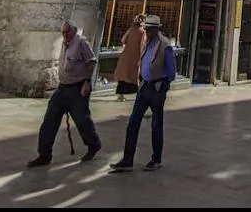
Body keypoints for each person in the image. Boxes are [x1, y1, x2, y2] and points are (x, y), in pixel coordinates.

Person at [27, 21, 101, 168]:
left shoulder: (81, 42)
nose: (65, 35)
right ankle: (44, 154)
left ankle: (93, 144)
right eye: (63, 32)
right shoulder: (65, 42)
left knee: (82, 120)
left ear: (73, 31)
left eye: (67, 32)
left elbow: (91, 62)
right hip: (62, 88)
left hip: (78, 87)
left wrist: (86, 82)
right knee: (50, 120)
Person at [110, 15, 175, 173]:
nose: (146, 31)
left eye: (149, 29)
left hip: (157, 89)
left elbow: (172, 72)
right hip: (145, 86)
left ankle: (156, 159)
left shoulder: (165, 45)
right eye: (146, 28)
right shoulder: (147, 41)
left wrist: (163, 85)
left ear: (156, 29)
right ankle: (127, 160)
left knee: (156, 125)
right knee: (133, 123)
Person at [112, 14, 145, 102]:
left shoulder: (131, 29)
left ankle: (120, 95)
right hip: (135, 57)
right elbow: (142, 46)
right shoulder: (142, 32)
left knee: (123, 76)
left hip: (126, 55)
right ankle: (140, 95)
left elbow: (123, 40)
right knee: (135, 76)